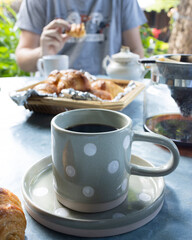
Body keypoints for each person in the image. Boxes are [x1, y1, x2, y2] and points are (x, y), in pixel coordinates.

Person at [15, 0, 147, 75]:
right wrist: (43, 53)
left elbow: (136, 50)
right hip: (56, 93)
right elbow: (22, 60)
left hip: (109, 92)